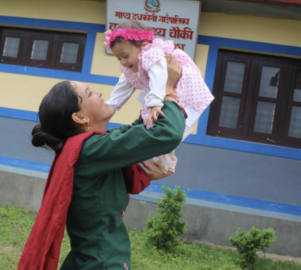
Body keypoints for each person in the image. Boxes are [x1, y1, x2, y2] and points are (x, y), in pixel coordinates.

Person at [17, 55, 186, 270]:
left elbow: (140, 131)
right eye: (89, 94)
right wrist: (169, 91)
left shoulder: (90, 147)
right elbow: (168, 134)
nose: (99, 93)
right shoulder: (91, 149)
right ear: (79, 118)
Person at [105, 20, 214, 174]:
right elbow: (123, 86)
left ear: (143, 45)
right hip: (165, 93)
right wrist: (111, 106)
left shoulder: (151, 53)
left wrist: (155, 102)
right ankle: (165, 166)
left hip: (185, 91)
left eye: (125, 56)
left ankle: (165, 166)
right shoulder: (130, 66)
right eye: (118, 58)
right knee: (157, 129)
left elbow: (159, 76)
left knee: (167, 131)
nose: (123, 61)